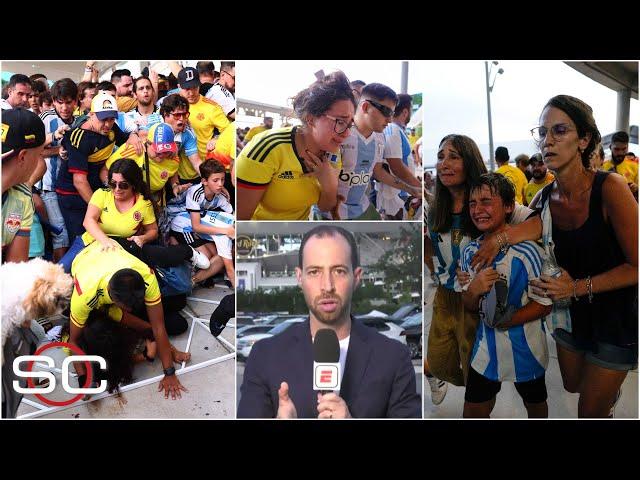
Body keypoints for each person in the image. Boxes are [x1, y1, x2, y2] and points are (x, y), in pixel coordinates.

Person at [238, 225, 421, 418]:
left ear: (356, 277)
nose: (327, 286)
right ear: (300, 277)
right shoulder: (265, 356)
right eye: (315, 272)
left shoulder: (393, 357)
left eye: (339, 271)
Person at [528, 95, 637, 417]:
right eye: (543, 132)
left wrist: (574, 288)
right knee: (572, 385)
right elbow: (518, 232)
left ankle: (603, 399)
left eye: (559, 130)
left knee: (588, 410)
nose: (548, 141)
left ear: (584, 139)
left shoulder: (610, 187)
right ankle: (606, 395)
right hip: (569, 317)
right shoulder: (543, 199)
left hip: (616, 318)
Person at [425, 134, 541, 388]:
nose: (444, 163)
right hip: (445, 295)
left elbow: (538, 224)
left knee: (473, 373)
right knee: (437, 363)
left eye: (453, 157)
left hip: (477, 297)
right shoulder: (434, 208)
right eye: (440, 156)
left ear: (469, 161)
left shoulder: (487, 200)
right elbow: (427, 242)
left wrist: (499, 240)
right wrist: (435, 268)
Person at [460, 173, 552, 418]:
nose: (478, 209)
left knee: (536, 407)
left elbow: (545, 305)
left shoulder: (529, 251)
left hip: (527, 350)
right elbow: (468, 305)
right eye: (472, 203)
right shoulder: (469, 250)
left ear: (510, 206)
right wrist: (473, 289)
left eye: (486, 201)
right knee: (472, 412)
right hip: (485, 352)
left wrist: (507, 320)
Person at [69, 241, 190, 399]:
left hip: (112, 250)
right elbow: (73, 340)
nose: (130, 311)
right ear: (113, 300)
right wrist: (84, 380)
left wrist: (169, 372)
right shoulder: (85, 296)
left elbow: (157, 327)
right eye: (126, 308)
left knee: (177, 314)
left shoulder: (146, 276)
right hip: (85, 258)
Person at [236, 71, 354, 220]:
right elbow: (241, 220)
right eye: (340, 122)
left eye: (350, 124)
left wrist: (329, 185)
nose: (347, 133)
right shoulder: (269, 148)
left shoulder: (333, 152)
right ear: (311, 119)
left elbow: (325, 206)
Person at [315, 82, 420, 220]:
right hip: (329, 213)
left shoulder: (380, 137)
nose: (389, 119)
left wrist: (411, 189)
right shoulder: (339, 133)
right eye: (387, 112)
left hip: (361, 209)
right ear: (365, 107)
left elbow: (378, 171)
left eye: (393, 113)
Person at [55, 92, 143, 244]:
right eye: (103, 119)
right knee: (83, 239)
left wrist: (134, 136)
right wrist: (98, 208)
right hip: (74, 194)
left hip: (96, 187)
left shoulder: (111, 127)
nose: (108, 124)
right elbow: (79, 181)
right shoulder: (79, 138)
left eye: (111, 118)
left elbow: (126, 141)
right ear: (91, 115)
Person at [170, 159, 233, 286]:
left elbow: (232, 217)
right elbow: (196, 226)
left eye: (222, 180)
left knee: (218, 257)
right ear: (204, 181)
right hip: (182, 226)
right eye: (215, 180)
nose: (220, 184)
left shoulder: (221, 196)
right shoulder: (195, 193)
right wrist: (226, 231)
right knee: (208, 260)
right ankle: (189, 282)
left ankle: (197, 276)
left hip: (199, 227)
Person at [2, 108, 46, 262]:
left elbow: (14, 272)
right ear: (23, 156)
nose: (40, 164)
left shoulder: (23, 198)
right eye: (39, 155)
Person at [602, 131, 638, 197]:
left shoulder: (635, 167)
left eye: (624, 149)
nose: (620, 153)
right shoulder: (602, 167)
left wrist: (636, 188)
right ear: (610, 147)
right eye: (617, 149)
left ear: (627, 148)